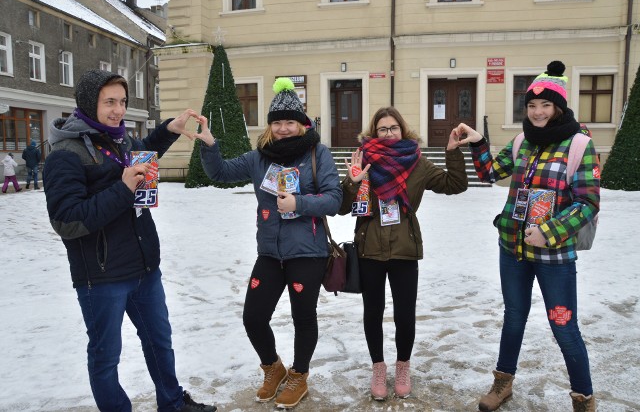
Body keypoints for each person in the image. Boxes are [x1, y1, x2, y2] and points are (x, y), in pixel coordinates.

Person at [43, 69, 216, 412]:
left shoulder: (119, 140)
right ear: (89, 103)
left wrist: (169, 130)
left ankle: (172, 404)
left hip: (143, 267)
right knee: (106, 357)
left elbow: (144, 153)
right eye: (109, 102)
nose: (118, 110)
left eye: (122, 102)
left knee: (160, 343)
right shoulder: (66, 153)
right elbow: (68, 220)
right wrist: (123, 189)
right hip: (102, 276)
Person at [452, 61, 599, 412]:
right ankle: (502, 384)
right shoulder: (523, 141)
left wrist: (549, 231)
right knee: (514, 316)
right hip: (512, 250)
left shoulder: (579, 144)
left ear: (558, 107)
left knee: (564, 325)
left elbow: (588, 203)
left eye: (545, 105)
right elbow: (490, 172)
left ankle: (584, 397)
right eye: (532, 106)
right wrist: (478, 142)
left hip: (555, 256)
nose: (537, 112)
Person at [196, 77, 342, 409]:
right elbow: (220, 173)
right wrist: (209, 146)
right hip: (270, 252)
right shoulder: (259, 158)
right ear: (270, 126)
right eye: (278, 122)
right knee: (253, 317)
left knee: (303, 317)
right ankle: (272, 368)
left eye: (290, 121)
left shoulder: (317, 154)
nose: (284, 128)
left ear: (302, 123)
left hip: (307, 250)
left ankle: (299, 375)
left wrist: (299, 204)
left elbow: (334, 199)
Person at [338, 106, 468, 400]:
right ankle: (378, 368)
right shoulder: (363, 160)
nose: (388, 134)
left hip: (405, 249)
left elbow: (455, 184)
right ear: (374, 133)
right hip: (369, 248)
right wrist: (352, 181)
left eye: (393, 128)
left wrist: (452, 151)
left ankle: (403, 365)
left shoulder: (418, 164)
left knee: (404, 313)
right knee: (373, 312)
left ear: (402, 130)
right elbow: (342, 206)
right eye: (382, 129)